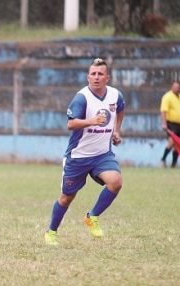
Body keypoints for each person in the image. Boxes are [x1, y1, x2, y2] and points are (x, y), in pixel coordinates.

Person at [44, 58, 125, 246]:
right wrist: (91, 121)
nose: (96, 77)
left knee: (115, 182)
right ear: (88, 77)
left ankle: (92, 216)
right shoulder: (82, 97)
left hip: (102, 155)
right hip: (78, 157)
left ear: (107, 77)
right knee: (66, 198)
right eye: (93, 74)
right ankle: (51, 232)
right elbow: (70, 124)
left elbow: (120, 110)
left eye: (100, 74)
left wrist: (117, 130)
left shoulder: (115, 95)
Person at [160, 81, 180, 168]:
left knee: (178, 144)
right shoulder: (167, 97)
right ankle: (163, 159)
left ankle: (173, 164)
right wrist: (164, 123)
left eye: (178, 87)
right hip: (171, 123)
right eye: (175, 87)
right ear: (172, 87)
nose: (177, 89)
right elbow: (164, 111)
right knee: (172, 141)